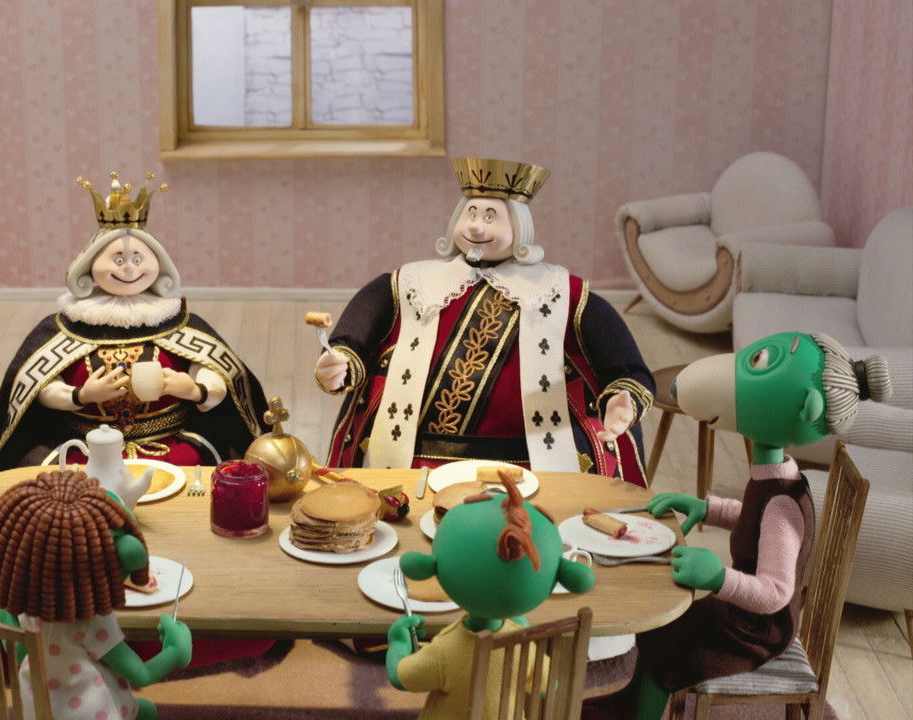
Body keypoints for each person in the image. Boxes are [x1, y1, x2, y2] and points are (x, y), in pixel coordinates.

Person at [314, 158, 654, 485]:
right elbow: (356, 334)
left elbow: (625, 365)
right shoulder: (408, 281)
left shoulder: (564, 291)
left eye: (490, 217)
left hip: (534, 459)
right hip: (410, 455)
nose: (476, 226)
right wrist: (340, 362)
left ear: (519, 227)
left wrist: (624, 396)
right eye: (471, 213)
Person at [616, 332, 893, 720]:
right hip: (741, 614)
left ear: (806, 409)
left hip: (755, 631)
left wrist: (717, 577)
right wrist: (706, 508)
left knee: (666, 657)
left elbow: (775, 593)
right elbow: (752, 516)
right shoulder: (778, 477)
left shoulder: (783, 505)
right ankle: (625, 703)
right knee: (657, 633)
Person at [0, 171, 269, 476]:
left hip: (173, 448)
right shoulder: (63, 328)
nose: (129, 269)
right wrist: (80, 396)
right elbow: (42, 388)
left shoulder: (181, 324)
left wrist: (196, 390)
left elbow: (216, 375)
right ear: (90, 266)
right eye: (118, 260)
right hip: (85, 450)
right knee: (61, 477)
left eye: (138, 259)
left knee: (198, 473)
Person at [0, 469, 192, 720]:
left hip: (38, 709)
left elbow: (21, 654)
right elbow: (140, 674)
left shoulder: (27, 605)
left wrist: (6, 615)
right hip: (87, 712)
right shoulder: (91, 622)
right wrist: (175, 650)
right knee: (146, 712)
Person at [385, 473, 595, 719]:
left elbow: (400, 677)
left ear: (429, 567)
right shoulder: (523, 647)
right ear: (561, 574)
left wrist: (398, 642)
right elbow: (548, 686)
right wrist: (518, 625)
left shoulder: (446, 651)